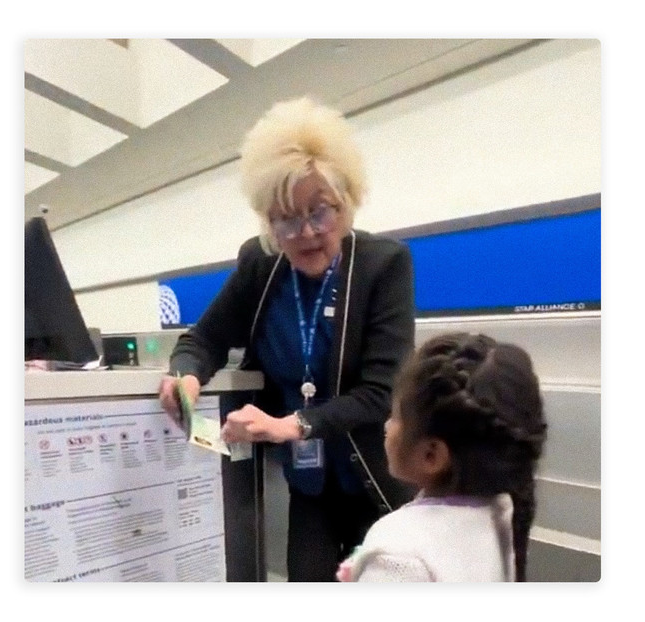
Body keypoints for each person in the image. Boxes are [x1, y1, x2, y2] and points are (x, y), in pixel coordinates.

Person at [157, 96, 417, 582]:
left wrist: (290, 425)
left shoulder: (383, 264)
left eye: (319, 212)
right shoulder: (261, 265)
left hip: (375, 482)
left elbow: (381, 392)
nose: (305, 233)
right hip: (310, 486)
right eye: (286, 218)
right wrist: (186, 376)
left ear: (346, 202)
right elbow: (204, 338)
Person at [336, 332, 548, 582]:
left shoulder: (399, 556)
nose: (386, 426)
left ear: (431, 455)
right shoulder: (502, 510)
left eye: (396, 416)